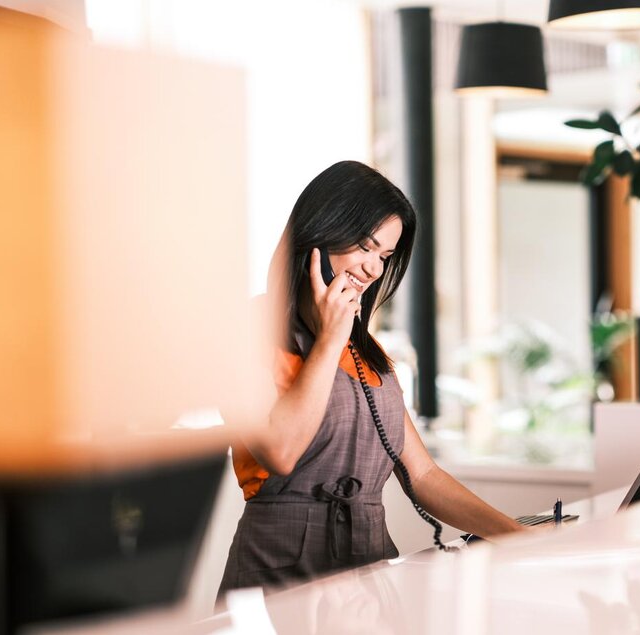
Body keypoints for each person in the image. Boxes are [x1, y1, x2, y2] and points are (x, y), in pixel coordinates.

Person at [219, 160, 522, 595]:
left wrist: (520, 536)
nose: (373, 270)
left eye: (384, 256)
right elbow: (280, 452)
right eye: (364, 246)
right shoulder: (247, 330)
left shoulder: (366, 352)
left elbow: (423, 476)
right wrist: (329, 338)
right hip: (279, 574)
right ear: (318, 236)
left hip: (367, 572)